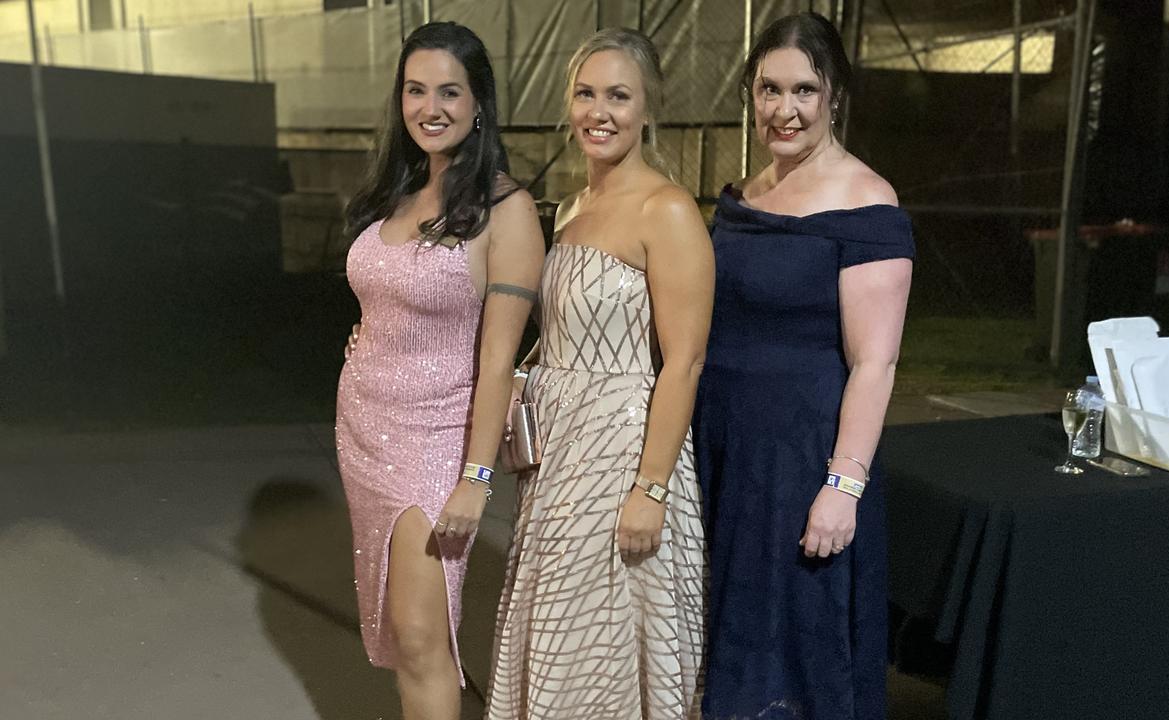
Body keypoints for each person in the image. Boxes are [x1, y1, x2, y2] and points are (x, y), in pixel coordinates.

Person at [486, 27, 713, 720]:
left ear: (648, 109)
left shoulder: (667, 210)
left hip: (623, 459)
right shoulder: (572, 207)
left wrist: (649, 490)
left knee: (608, 646)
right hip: (557, 465)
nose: (599, 111)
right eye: (586, 94)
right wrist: (525, 377)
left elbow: (684, 361)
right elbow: (567, 330)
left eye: (619, 95)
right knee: (560, 639)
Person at [693, 13, 914, 720]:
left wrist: (842, 486)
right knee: (724, 642)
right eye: (768, 89)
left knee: (794, 653)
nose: (783, 109)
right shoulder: (745, 196)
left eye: (804, 91)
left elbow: (875, 361)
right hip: (723, 455)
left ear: (834, 96)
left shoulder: (867, 201)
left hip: (799, 463)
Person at [335, 21, 544, 720]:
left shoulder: (506, 211)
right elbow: (389, 297)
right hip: (364, 433)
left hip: (435, 442)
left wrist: (477, 477)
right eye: (416, 90)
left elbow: (496, 361)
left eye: (450, 92)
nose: (431, 107)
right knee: (401, 634)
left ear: (479, 104)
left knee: (426, 636)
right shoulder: (397, 194)